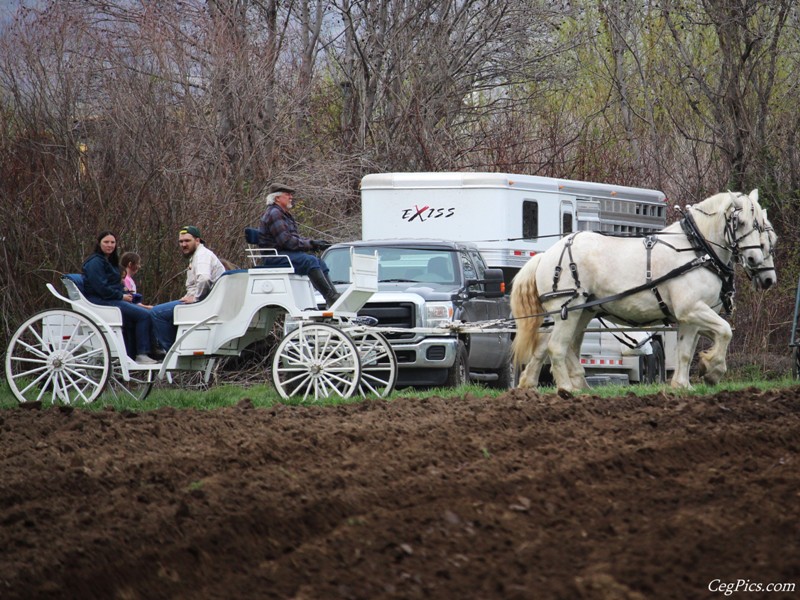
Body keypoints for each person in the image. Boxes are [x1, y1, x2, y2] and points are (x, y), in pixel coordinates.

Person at [258, 183, 339, 307]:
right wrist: (311, 244)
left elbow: (294, 238)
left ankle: (334, 296)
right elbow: (286, 241)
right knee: (310, 261)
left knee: (319, 261)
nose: (291, 197)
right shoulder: (274, 214)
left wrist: (313, 243)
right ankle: (330, 297)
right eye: (287, 194)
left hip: (284, 254)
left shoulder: (284, 214)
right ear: (277, 198)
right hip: (274, 257)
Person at [82, 231, 157, 364]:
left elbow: (111, 284)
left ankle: (138, 352)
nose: (110, 245)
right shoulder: (95, 263)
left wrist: (124, 292)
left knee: (147, 313)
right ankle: (142, 353)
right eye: (106, 242)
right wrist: (121, 296)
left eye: (112, 242)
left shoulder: (108, 261)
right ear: (99, 243)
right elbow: (100, 288)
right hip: (101, 301)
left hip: (111, 299)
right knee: (144, 315)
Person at [151, 225, 225, 352]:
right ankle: (175, 347)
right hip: (208, 302)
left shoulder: (202, 256)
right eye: (181, 241)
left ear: (197, 240)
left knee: (157, 313)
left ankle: (170, 353)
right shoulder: (198, 255)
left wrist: (196, 298)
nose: (184, 244)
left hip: (205, 304)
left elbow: (204, 278)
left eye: (187, 241)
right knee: (168, 315)